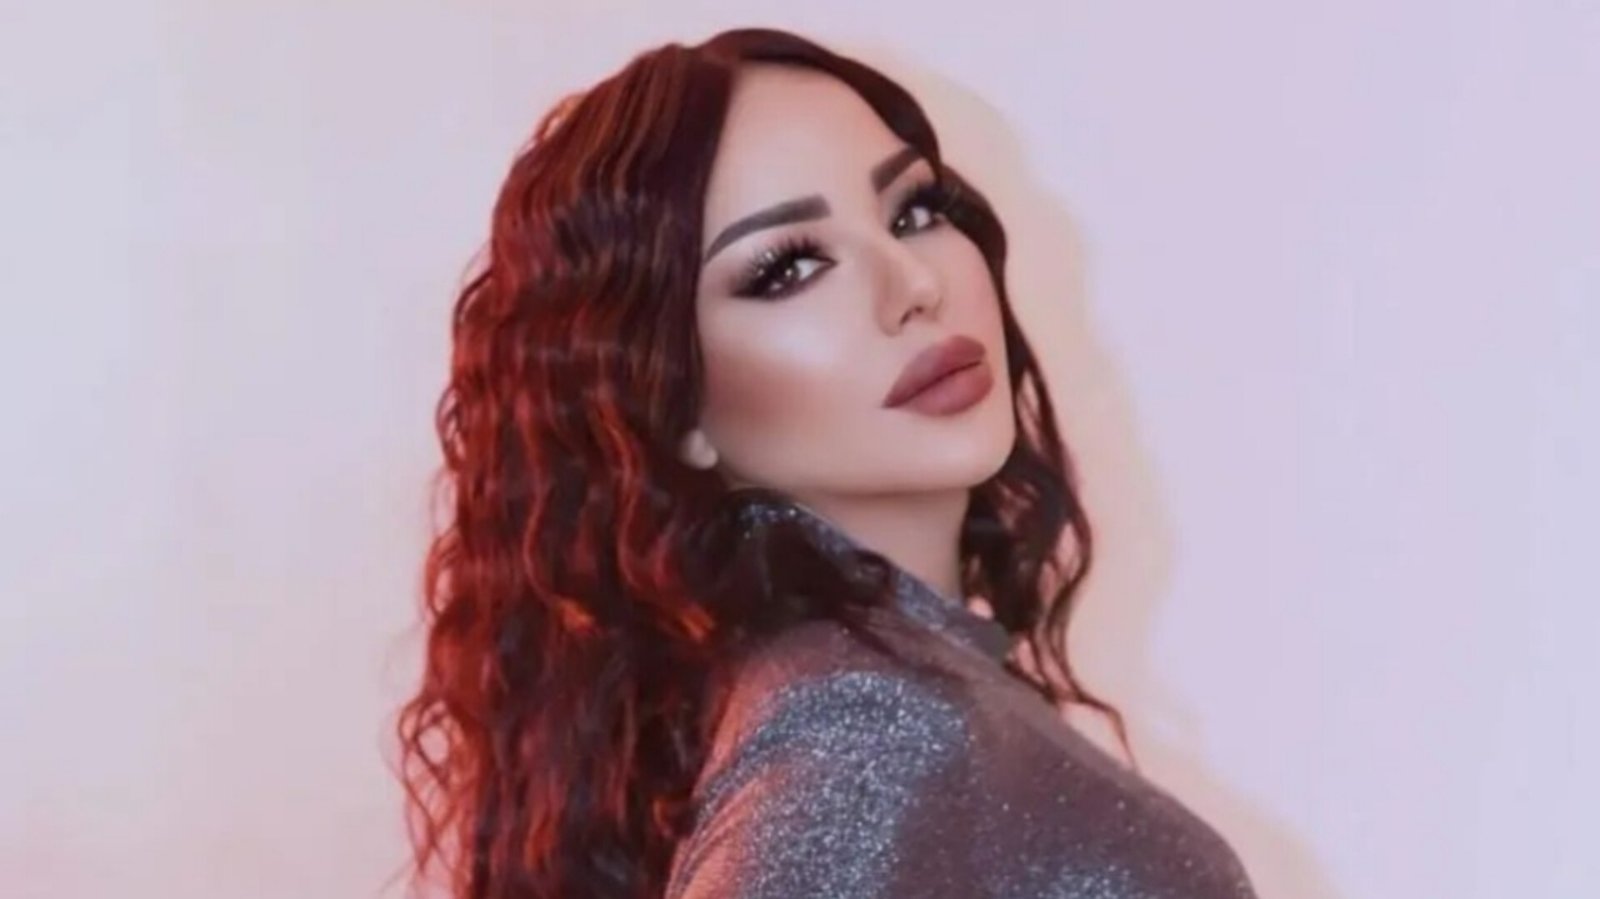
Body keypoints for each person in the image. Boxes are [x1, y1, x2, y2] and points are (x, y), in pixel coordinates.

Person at [394, 26, 1260, 899]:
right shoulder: (862, 725)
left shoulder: (850, 695)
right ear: (672, 403)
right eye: (788, 268)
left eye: (913, 212)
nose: (913, 283)